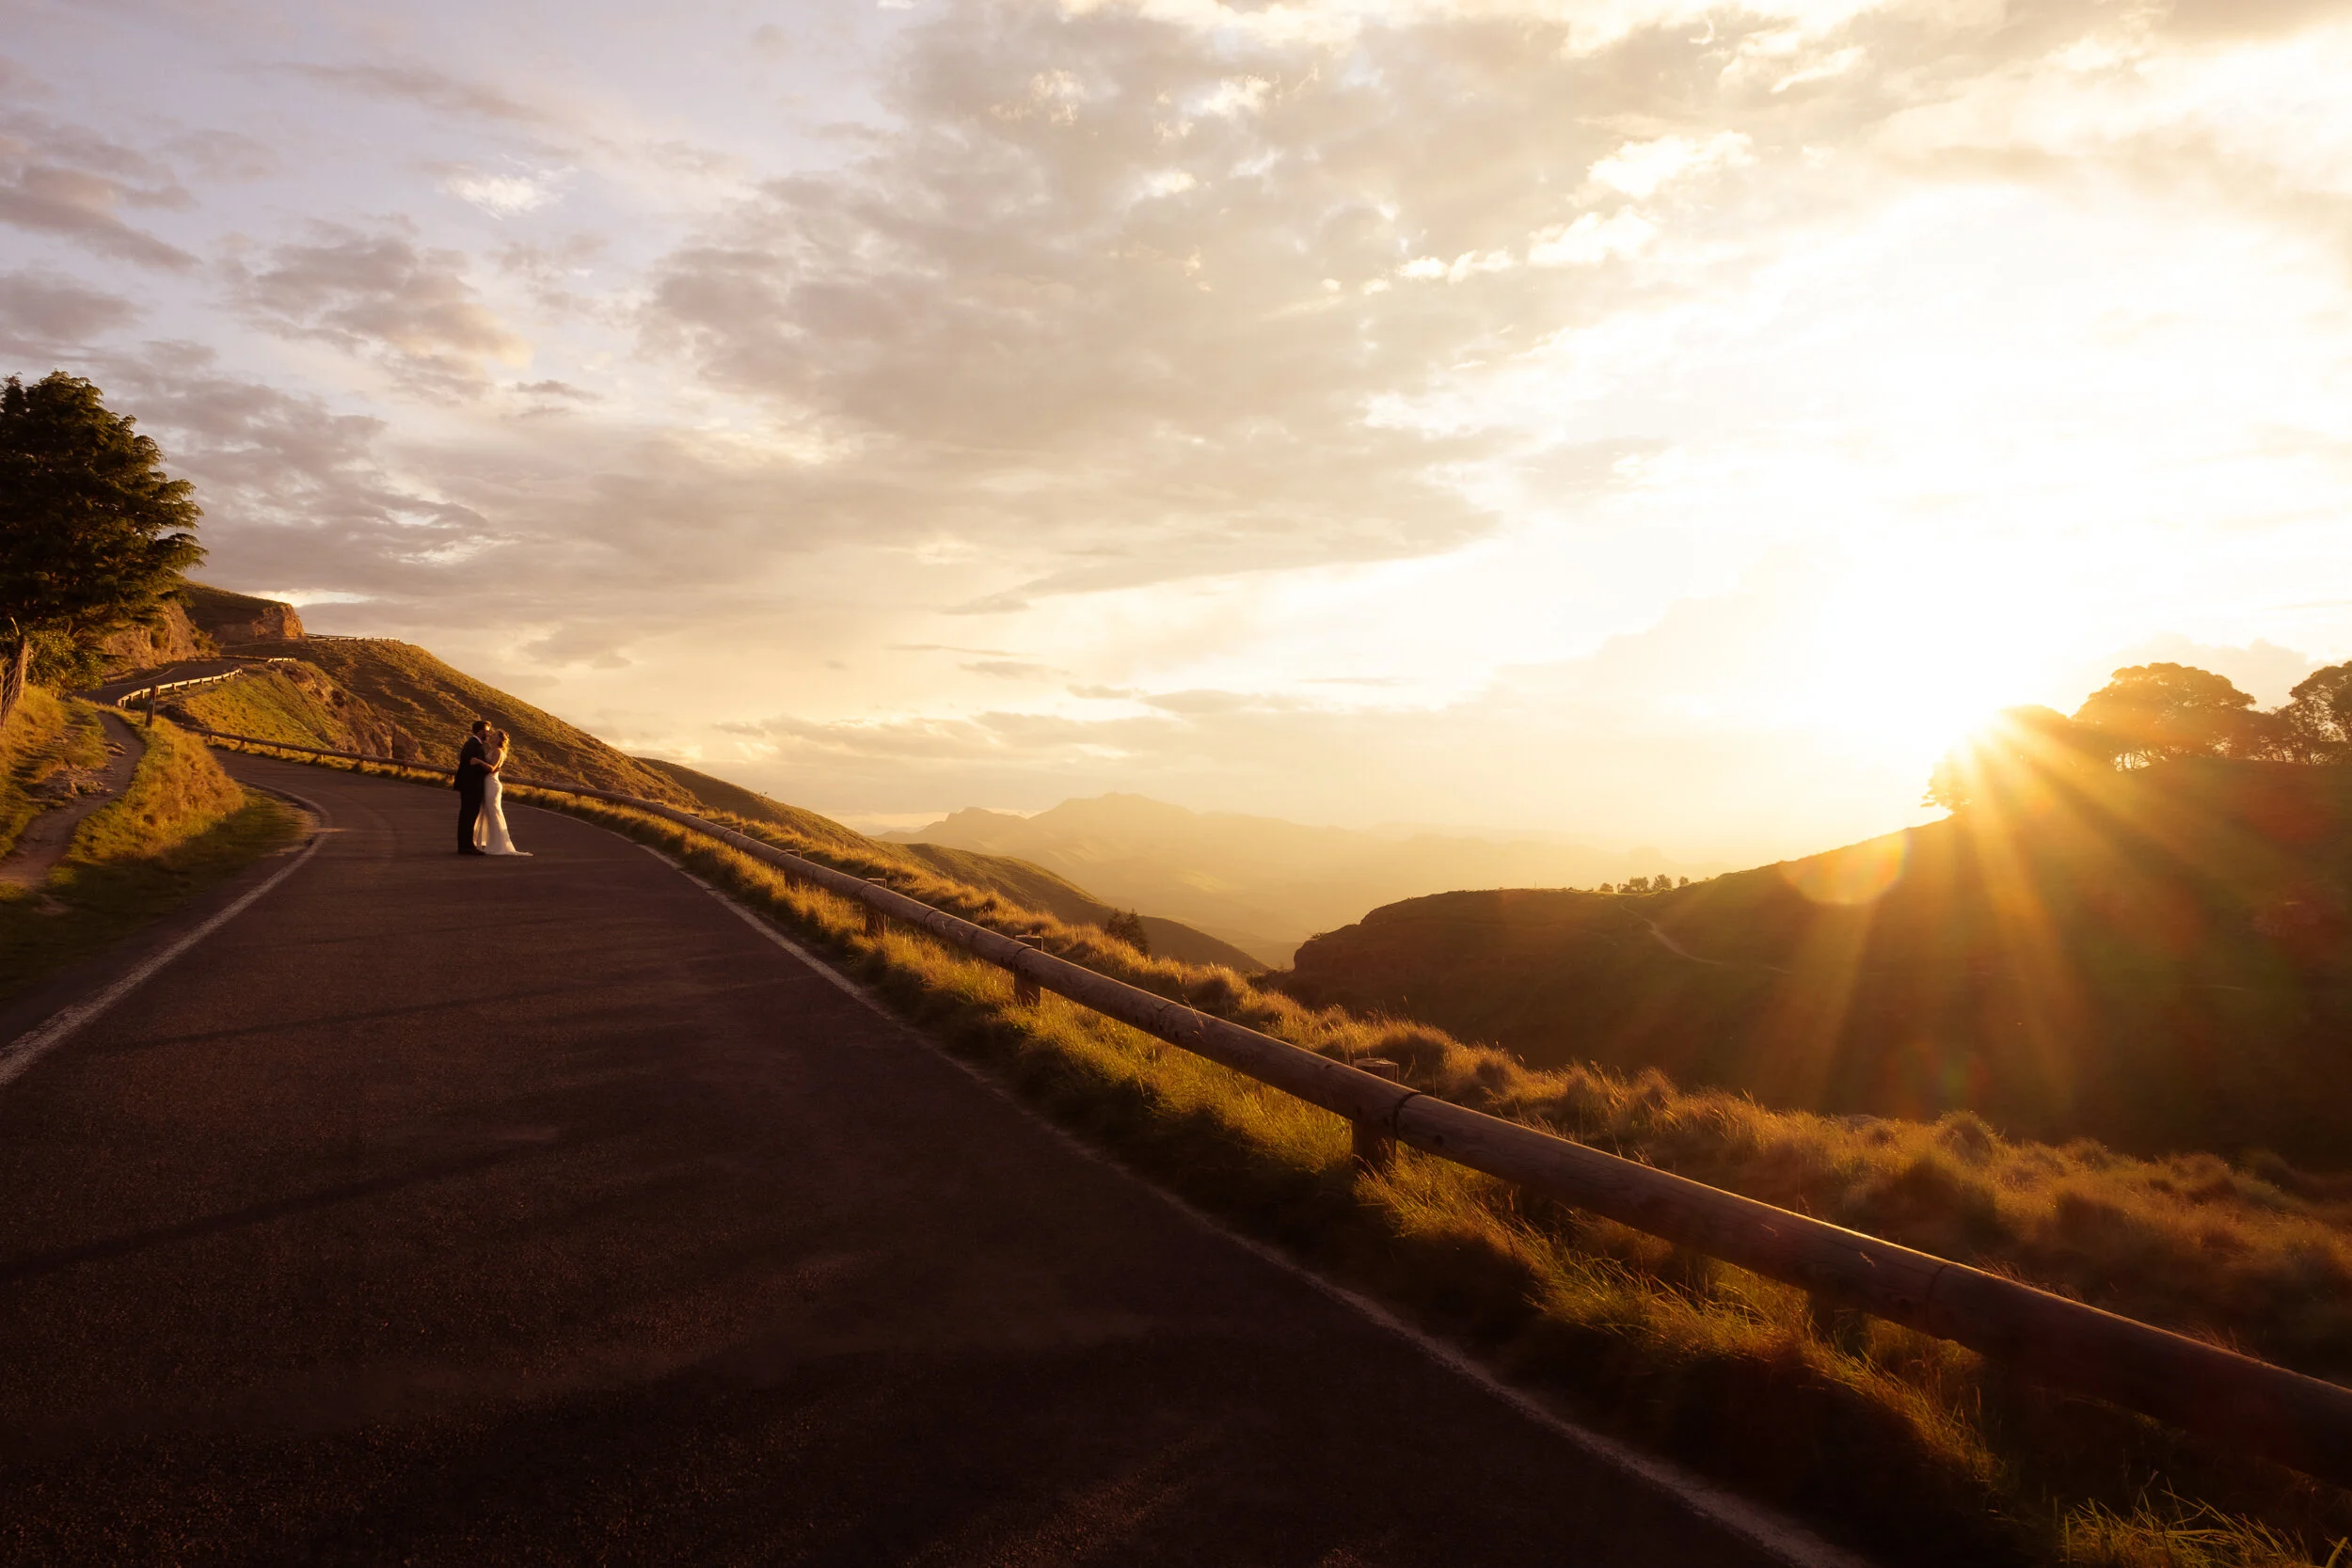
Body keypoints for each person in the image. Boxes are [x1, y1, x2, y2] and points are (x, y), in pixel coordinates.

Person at [475, 728, 530, 856]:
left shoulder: (498, 752)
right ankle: (492, 842)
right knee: (488, 813)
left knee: (494, 813)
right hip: (487, 783)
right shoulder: (492, 750)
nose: (491, 736)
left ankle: (498, 845)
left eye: (494, 735)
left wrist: (478, 761)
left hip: (492, 784)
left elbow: (492, 769)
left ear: (500, 739)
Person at [453, 719, 492, 855]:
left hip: (468, 786)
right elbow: (471, 766)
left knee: (467, 815)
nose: (489, 733)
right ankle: (467, 846)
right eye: (487, 731)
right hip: (471, 786)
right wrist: (485, 768)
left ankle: (465, 845)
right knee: (469, 816)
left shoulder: (473, 744)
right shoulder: (474, 745)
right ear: (481, 732)